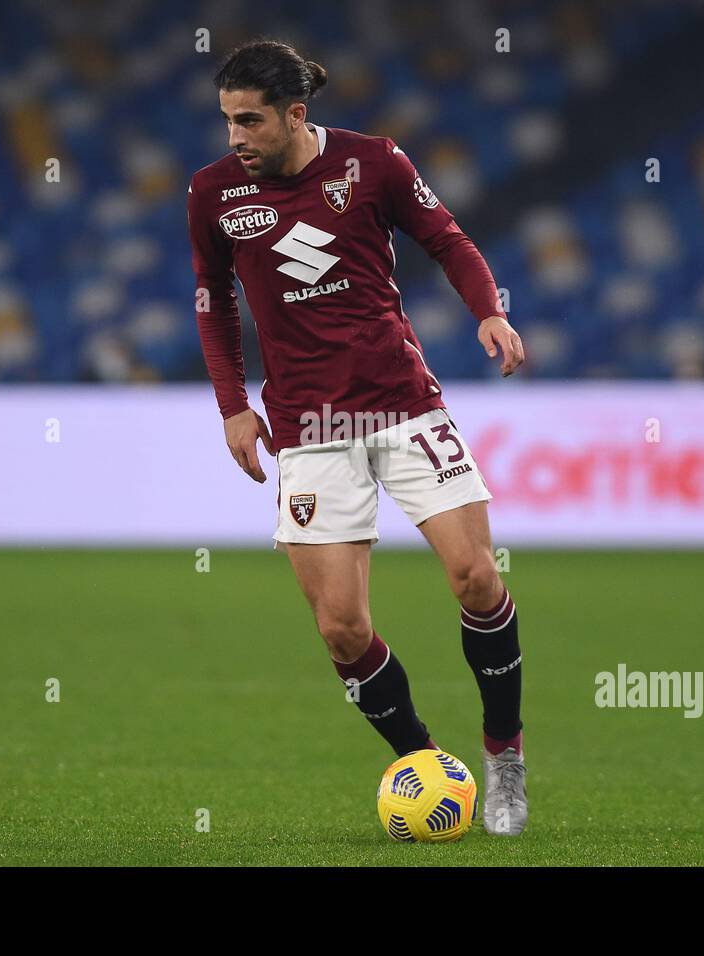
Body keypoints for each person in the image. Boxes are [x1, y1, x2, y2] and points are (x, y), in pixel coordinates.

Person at [187, 39, 528, 834]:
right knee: (341, 627)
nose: (235, 136)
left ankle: (504, 755)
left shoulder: (374, 163)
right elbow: (213, 299)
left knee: (477, 577)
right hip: (308, 431)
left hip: (403, 407)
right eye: (227, 120)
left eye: (250, 120)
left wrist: (489, 309)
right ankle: (422, 761)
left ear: (296, 115)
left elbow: (448, 239)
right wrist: (233, 405)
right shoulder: (212, 193)